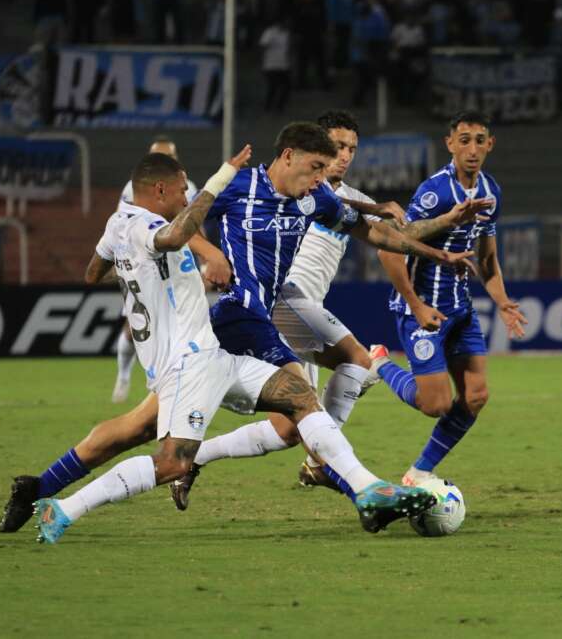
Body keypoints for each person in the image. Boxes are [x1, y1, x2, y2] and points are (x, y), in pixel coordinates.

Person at [0, 122, 473, 536]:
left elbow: (379, 235)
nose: (317, 180)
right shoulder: (237, 187)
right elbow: (177, 217)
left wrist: (438, 250)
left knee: (141, 428)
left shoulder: (317, 199)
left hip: (244, 323)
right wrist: (211, 254)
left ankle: (39, 487)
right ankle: (362, 490)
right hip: (233, 314)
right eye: (312, 168)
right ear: (287, 156)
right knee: (300, 397)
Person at [169, 111, 492, 505]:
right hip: (282, 301)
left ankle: (202, 456)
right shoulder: (285, 186)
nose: (344, 157)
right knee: (341, 374)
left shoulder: (334, 197)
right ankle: (339, 471)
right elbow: (184, 218)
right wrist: (211, 253)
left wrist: (442, 232)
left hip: (297, 304)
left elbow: (390, 235)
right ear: (303, 152)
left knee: (293, 425)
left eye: (351, 149)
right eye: (335, 148)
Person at [369, 110, 528, 489]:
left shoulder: (491, 192)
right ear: (450, 144)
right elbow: (389, 250)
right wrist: (417, 304)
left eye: (479, 140)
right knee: (435, 404)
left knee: (475, 396)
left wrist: (503, 301)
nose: (472, 149)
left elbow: (487, 259)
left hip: (461, 309)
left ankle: (420, 471)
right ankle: (378, 363)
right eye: (464, 140)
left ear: (490, 145)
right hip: (423, 310)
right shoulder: (434, 192)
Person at [111, 137, 232, 404]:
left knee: (178, 322)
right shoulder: (132, 190)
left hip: (177, 263)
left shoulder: (187, 186)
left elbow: (192, 225)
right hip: (146, 263)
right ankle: (123, 375)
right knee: (133, 327)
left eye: (170, 155)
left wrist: (205, 260)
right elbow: (122, 226)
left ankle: (170, 382)